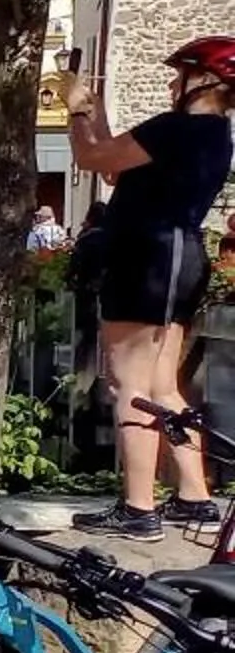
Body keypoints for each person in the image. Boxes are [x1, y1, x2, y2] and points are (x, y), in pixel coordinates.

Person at [66, 35, 235, 538]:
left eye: (179, 74)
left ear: (204, 81)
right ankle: (193, 496)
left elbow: (93, 160)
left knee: (129, 384)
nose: (170, 82)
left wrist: (76, 114)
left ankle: (138, 509)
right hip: (177, 256)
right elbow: (118, 166)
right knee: (164, 386)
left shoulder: (177, 129)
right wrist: (94, 112)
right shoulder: (211, 134)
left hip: (147, 257)